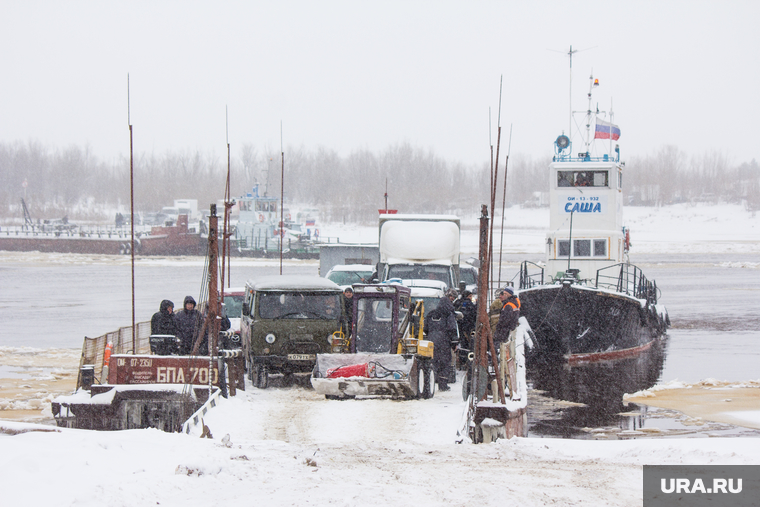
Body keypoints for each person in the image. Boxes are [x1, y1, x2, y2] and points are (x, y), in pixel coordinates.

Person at [425, 288, 458, 391]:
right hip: (444, 342)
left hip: (431, 341)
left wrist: (431, 335)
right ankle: (442, 385)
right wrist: (454, 343)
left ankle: (429, 385)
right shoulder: (449, 314)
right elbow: (452, 328)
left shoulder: (431, 314)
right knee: (445, 362)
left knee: (432, 362)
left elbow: (425, 328)